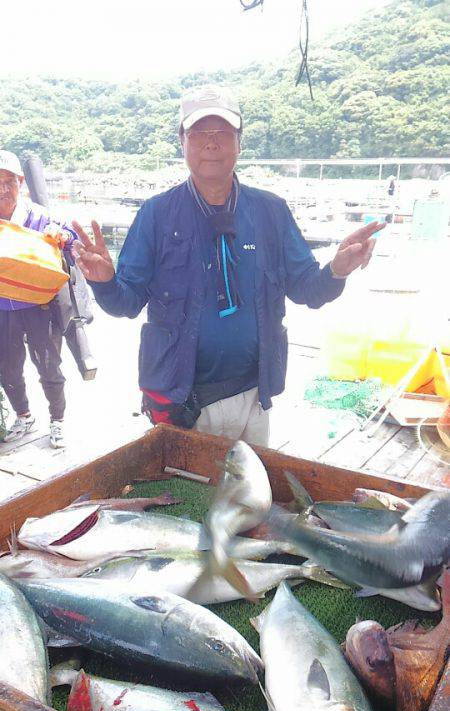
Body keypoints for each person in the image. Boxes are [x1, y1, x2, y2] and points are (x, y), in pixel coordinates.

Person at [72, 85, 384, 447]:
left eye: (222, 132)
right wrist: (106, 282)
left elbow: (307, 290)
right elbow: (124, 304)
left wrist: (337, 269)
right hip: (181, 397)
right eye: (199, 133)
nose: (211, 142)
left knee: (248, 495)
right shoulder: (156, 214)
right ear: (182, 142)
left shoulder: (271, 210)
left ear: (239, 141)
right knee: (186, 494)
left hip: (254, 392)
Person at [0, 150, 76, 448]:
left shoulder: (38, 215)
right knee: (7, 367)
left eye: (10, 182)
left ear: (21, 183)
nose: (3, 189)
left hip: (39, 307)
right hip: (3, 308)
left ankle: (57, 421)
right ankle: (24, 415)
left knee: (48, 366)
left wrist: (62, 235)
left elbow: (70, 238)